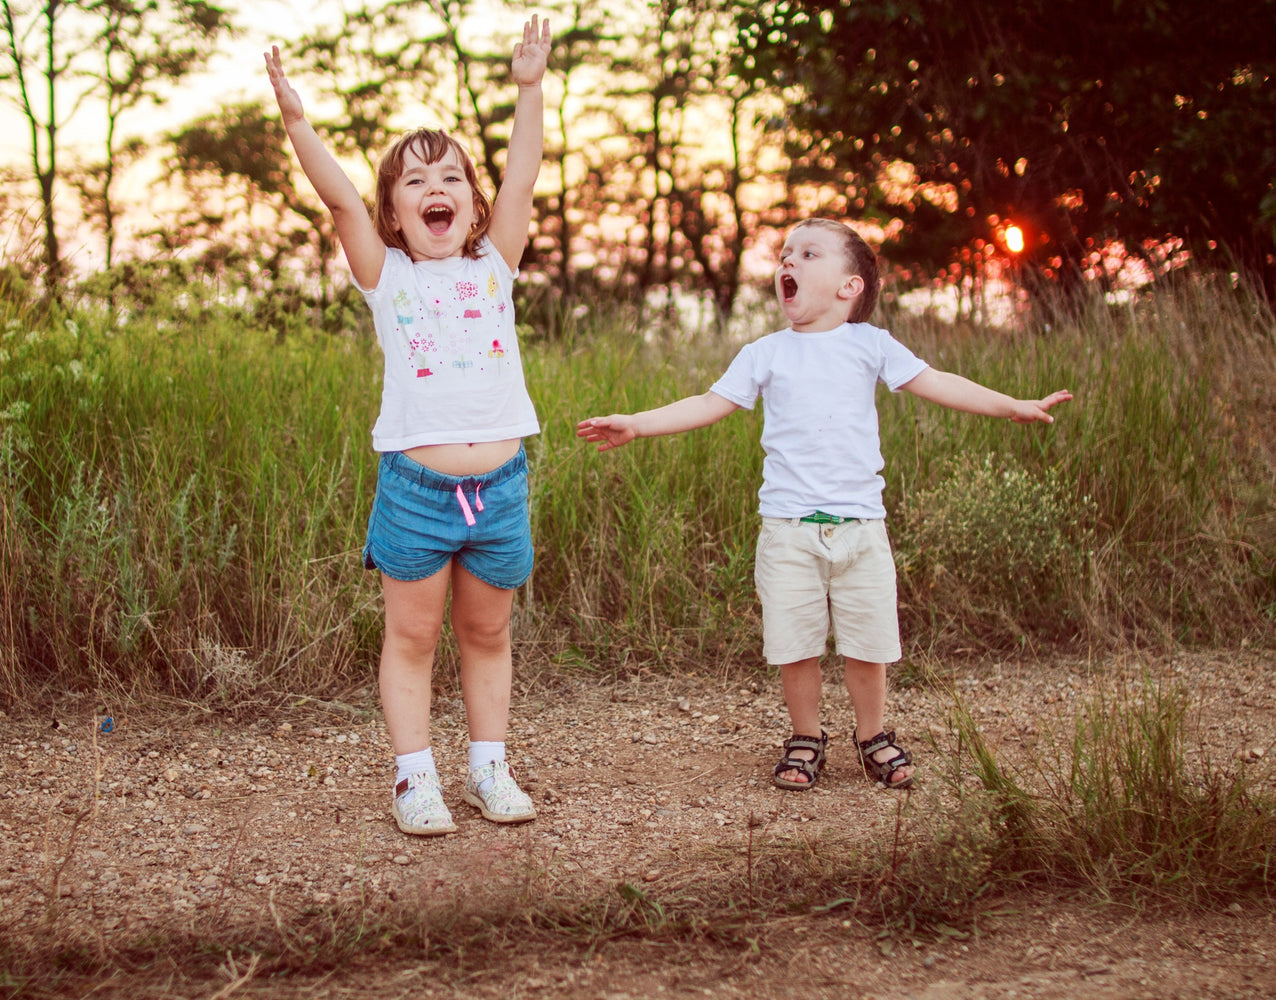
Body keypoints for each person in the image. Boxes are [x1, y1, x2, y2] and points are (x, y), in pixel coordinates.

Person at [577, 219, 1073, 791]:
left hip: (861, 529)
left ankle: (873, 736)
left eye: (808, 254)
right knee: (797, 645)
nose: (788, 263)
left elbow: (939, 381)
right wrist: (636, 425)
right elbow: (708, 403)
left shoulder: (871, 345)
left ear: (849, 287)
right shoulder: (765, 353)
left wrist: (1010, 405)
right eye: (785, 255)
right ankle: (807, 737)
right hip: (788, 531)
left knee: (868, 643)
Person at [264, 17, 551, 835]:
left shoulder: (494, 264)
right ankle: (414, 779)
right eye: (418, 180)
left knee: (488, 632)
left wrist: (529, 89)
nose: (439, 188)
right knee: (415, 634)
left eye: (453, 177)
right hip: (418, 492)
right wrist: (296, 122)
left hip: (497, 490)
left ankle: (490, 767)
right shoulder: (386, 276)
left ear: (472, 203)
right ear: (395, 210)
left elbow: (524, 178)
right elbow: (337, 195)